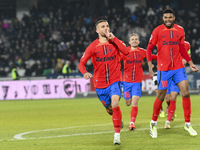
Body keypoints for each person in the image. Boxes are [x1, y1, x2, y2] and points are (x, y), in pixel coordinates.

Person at [146, 8, 198, 138]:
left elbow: (182, 47)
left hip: (178, 67)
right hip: (164, 68)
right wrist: (149, 64)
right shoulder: (157, 30)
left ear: (173, 18)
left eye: (170, 17)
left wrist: (190, 62)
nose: (167, 19)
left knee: (185, 92)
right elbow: (149, 48)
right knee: (161, 96)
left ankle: (187, 124)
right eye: (165, 18)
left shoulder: (180, 30)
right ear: (163, 18)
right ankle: (153, 123)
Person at [78, 19, 129, 145]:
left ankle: (117, 135)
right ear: (97, 30)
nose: (106, 28)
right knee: (110, 108)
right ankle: (112, 113)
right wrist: (84, 72)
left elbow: (127, 52)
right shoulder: (92, 47)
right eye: (102, 27)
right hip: (100, 84)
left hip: (115, 80)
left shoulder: (115, 42)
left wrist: (115, 39)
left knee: (115, 103)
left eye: (107, 26)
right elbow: (81, 63)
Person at [120, 33, 157, 130]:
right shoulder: (125, 52)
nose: (134, 41)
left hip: (137, 81)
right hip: (126, 81)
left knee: (135, 101)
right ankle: (128, 103)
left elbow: (152, 56)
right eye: (132, 39)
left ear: (139, 41)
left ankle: (132, 123)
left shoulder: (142, 51)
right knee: (128, 103)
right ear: (129, 42)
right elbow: (116, 59)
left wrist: (161, 56)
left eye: (136, 39)